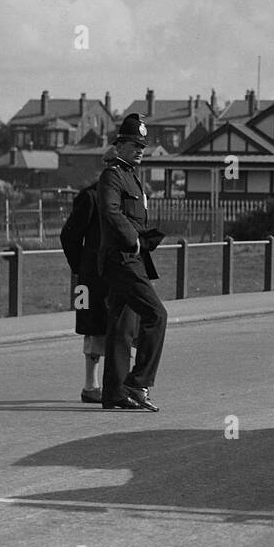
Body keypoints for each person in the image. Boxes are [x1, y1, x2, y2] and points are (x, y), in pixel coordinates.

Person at [98, 114, 167, 412]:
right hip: (122, 258)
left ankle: (114, 392)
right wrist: (134, 239)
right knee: (156, 315)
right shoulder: (113, 175)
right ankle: (138, 383)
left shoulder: (132, 176)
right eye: (134, 144)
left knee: (121, 326)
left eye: (142, 145)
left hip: (130, 256)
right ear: (120, 145)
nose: (140, 150)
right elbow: (111, 212)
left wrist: (144, 238)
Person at [60, 180, 111, 403]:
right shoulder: (89, 197)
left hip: (117, 274)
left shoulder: (129, 194)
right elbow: (69, 236)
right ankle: (91, 385)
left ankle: (115, 384)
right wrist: (81, 267)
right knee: (92, 327)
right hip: (90, 280)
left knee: (120, 327)